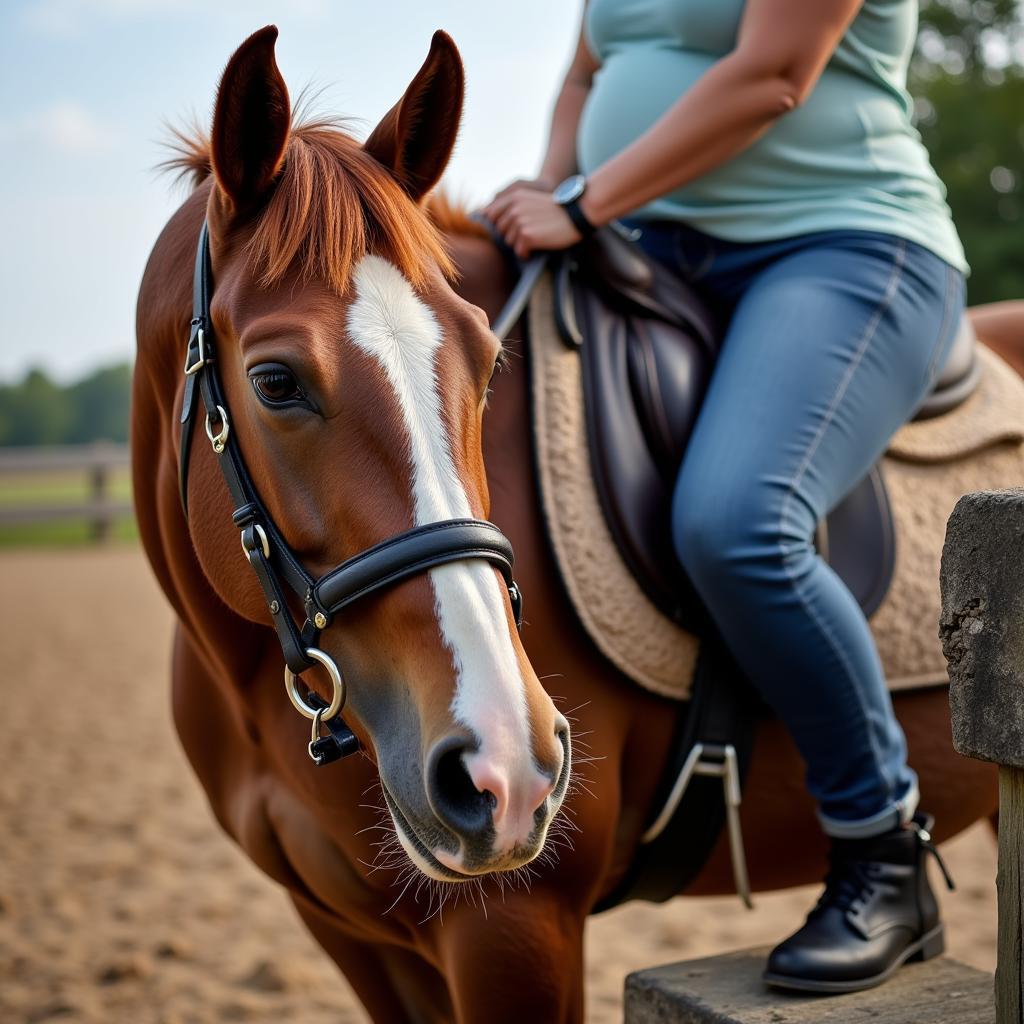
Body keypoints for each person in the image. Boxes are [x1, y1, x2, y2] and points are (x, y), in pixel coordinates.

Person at [485, 0, 965, 994]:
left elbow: (774, 74)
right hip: (649, 245)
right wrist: (546, 176)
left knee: (738, 522)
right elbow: (586, 72)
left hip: (841, 244)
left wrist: (581, 202)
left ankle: (884, 851)